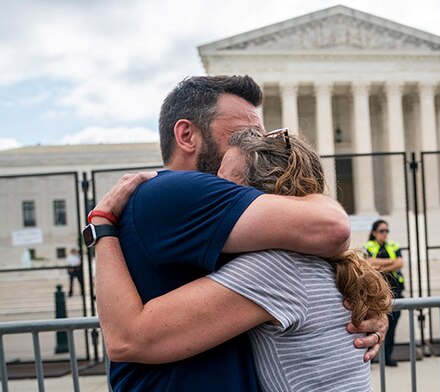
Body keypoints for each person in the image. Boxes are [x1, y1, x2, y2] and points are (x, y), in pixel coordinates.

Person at [91, 75, 386, 391]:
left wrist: (101, 227)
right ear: (186, 134)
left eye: (258, 136)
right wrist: (100, 227)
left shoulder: (272, 255)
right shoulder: (181, 193)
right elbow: (333, 228)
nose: (253, 144)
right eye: (240, 135)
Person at [364, 219, 405, 367]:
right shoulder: (368, 246)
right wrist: (390, 262)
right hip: (376, 293)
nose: (385, 234)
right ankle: (372, 356)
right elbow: (368, 262)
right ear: (374, 233)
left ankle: (387, 356)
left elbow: (400, 262)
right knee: (376, 325)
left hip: (395, 291)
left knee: (392, 326)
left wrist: (379, 265)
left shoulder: (393, 245)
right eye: (382, 231)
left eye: (387, 231)